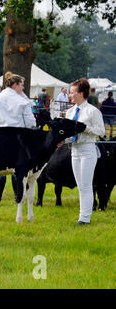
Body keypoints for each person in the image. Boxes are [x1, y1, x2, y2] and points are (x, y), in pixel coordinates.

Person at [0, 71, 37, 206]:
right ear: (15, 84)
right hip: (17, 141)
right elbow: (31, 124)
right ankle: (18, 199)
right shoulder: (22, 102)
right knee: (18, 170)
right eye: (22, 85)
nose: (23, 88)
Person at [65, 78, 105, 225]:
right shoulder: (69, 111)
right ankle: (83, 214)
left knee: (87, 185)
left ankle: (84, 218)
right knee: (80, 185)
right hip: (74, 150)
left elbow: (100, 130)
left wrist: (86, 128)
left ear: (81, 93)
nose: (70, 95)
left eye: (72, 92)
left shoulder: (93, 111)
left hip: (88, 149)